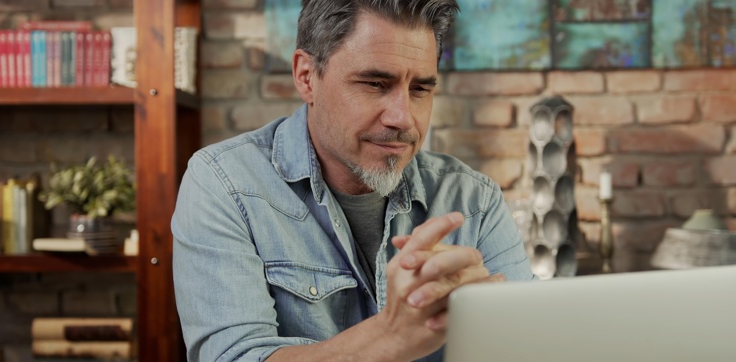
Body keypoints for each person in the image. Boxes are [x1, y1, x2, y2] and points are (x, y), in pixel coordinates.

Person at [172, 1, 535, 361]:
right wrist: (391, 335)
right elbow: (233, 357)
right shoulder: (224, 184)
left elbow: (530, 345)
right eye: (375, 83)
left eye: (420, 89)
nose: (402, 118)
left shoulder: (475, 201)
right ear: (306, 77)